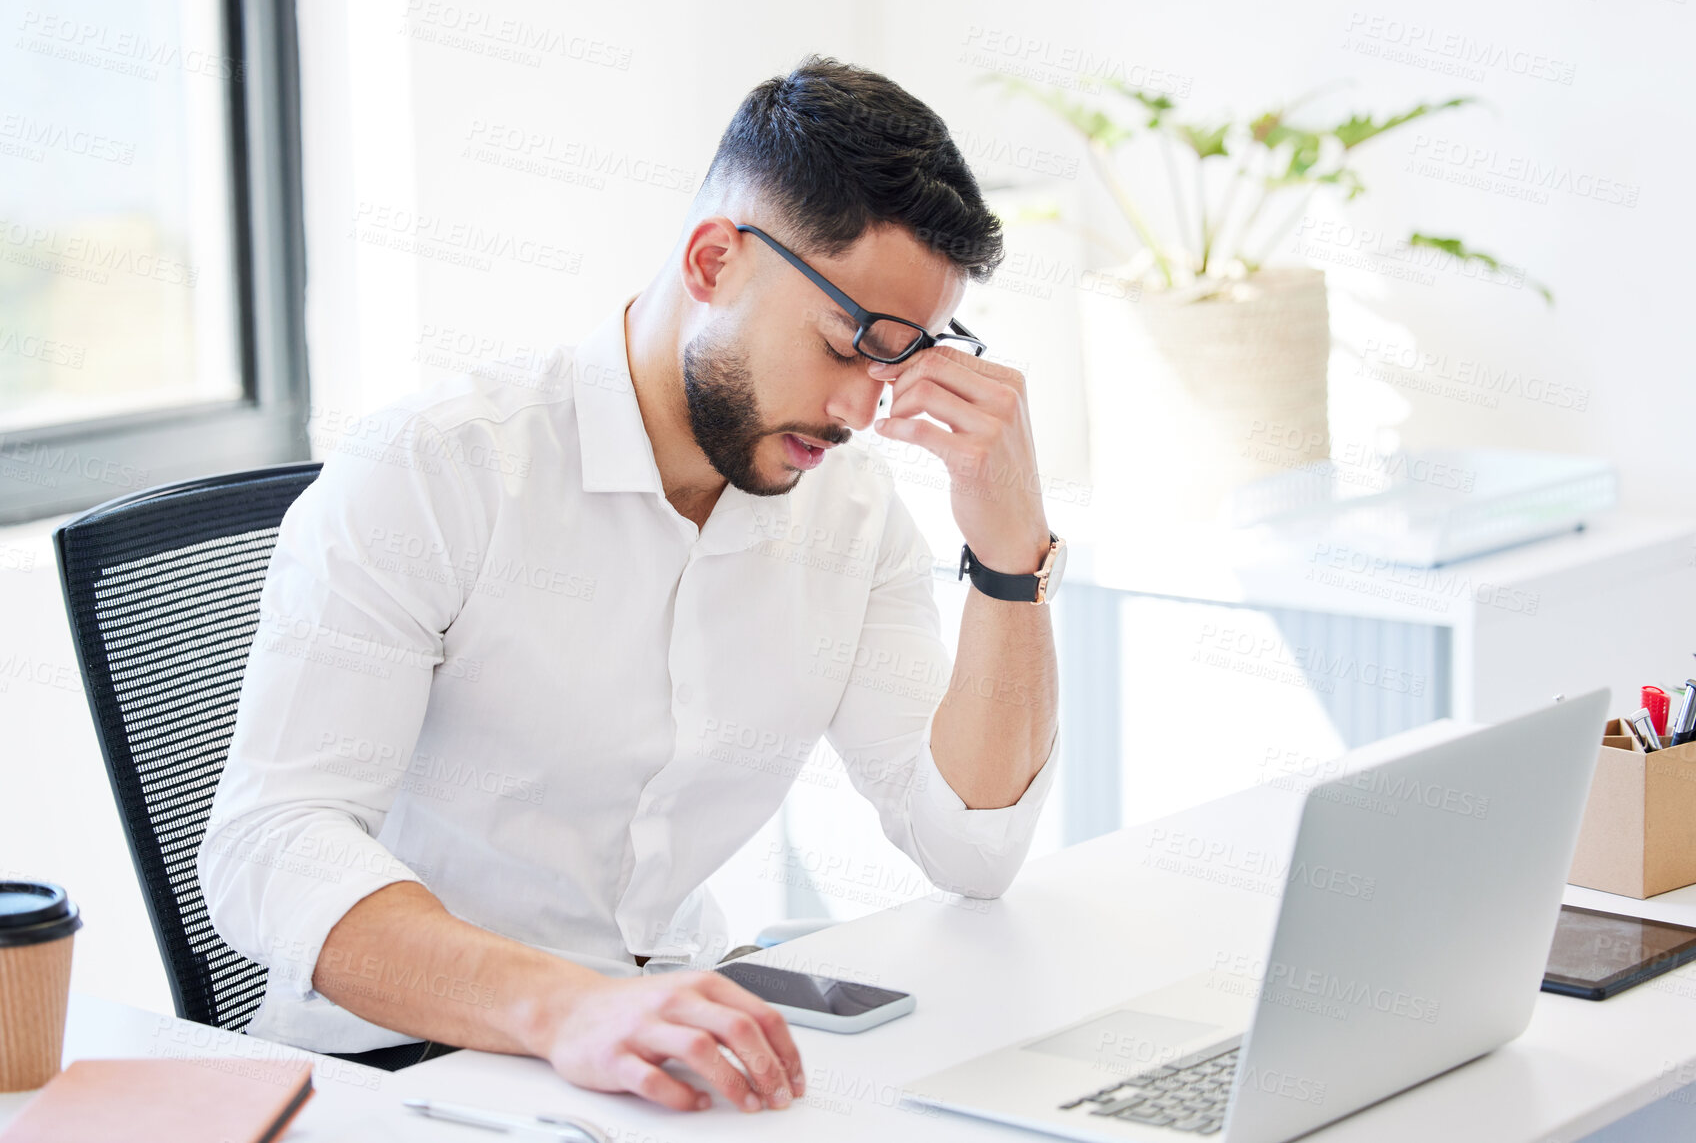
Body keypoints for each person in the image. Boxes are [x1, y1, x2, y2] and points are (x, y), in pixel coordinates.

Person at [197, 54, 1062, 1116]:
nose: (860, 408)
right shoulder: (437, 467)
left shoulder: (853, 514)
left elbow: (971, 844)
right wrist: (570, 1008)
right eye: (850, 345)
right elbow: (267, 845)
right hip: (402, 1069)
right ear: (713, 260)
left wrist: (1011, 555)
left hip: (665, 1051)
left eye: (903, 362)